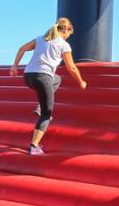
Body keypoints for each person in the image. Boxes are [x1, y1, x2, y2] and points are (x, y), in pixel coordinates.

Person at [10, 18, 87, 155]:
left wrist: (15, 66)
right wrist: (81, 81)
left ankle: (41, 105)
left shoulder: (41, 39)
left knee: (57, 79)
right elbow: (72, 67)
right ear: (65, 30)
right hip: (43, 77)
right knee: (47, 115)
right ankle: (34, 146)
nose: (69, 36)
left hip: (28, 77)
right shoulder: (64, 45)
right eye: (69, 33)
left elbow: (22, 48)